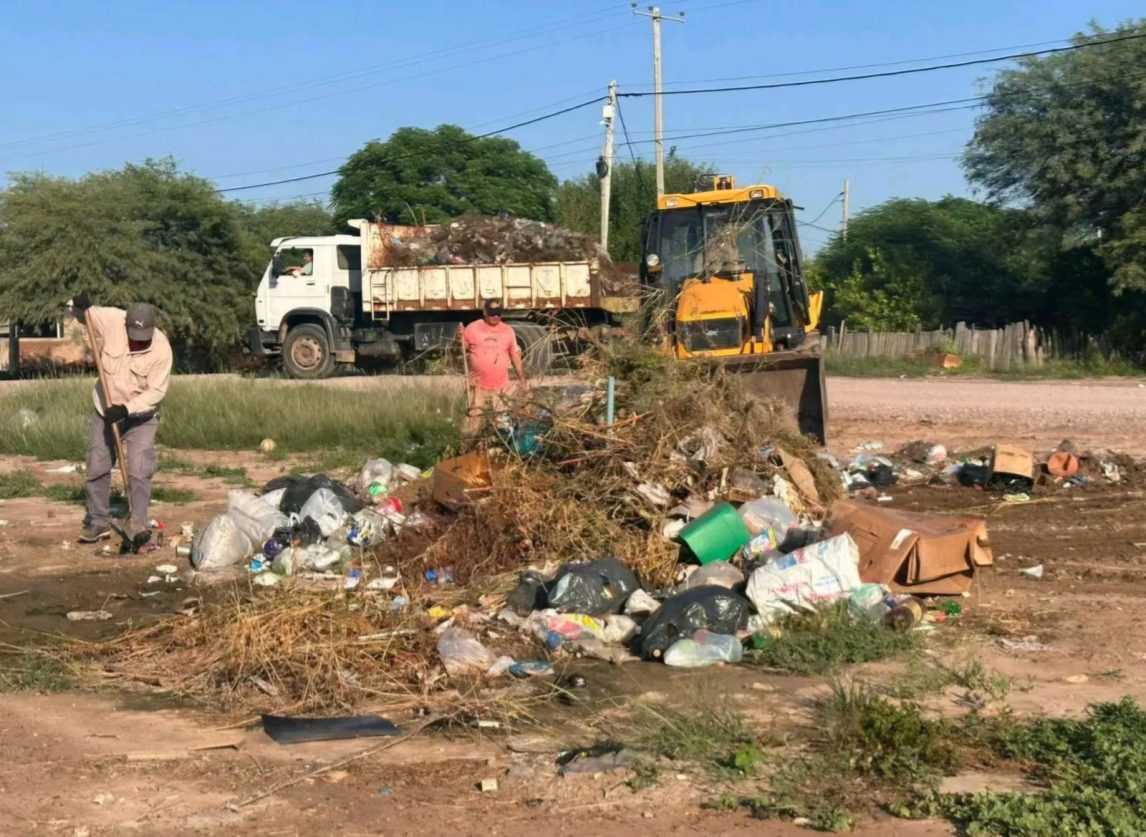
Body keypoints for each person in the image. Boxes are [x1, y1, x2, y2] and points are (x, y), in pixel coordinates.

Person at [69, 295, 172, 548]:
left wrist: (126, 409)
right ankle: (98, 521)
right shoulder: (113, 319)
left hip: (141, 417)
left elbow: (156, 393)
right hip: (104, 410)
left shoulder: (161, 350)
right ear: (126, 324)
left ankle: (137, 524)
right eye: (134, 336)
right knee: (97, 465)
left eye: (143, 337)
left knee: (139, 470)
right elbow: (83, 315)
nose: (138, 342)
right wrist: (80, 307)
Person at [458, 299, 528, 435]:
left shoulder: (508, 331)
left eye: (498, 313)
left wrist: (522, 380)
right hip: (476, 385)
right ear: (485, 312)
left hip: (500, 386)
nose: (495, 316)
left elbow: (515, 356)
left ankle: (501, 445)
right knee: (474, 418)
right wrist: (459, 338)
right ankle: (468, 445)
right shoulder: (473, 328)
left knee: (502, 421)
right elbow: (460, 350)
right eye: (492, 312)